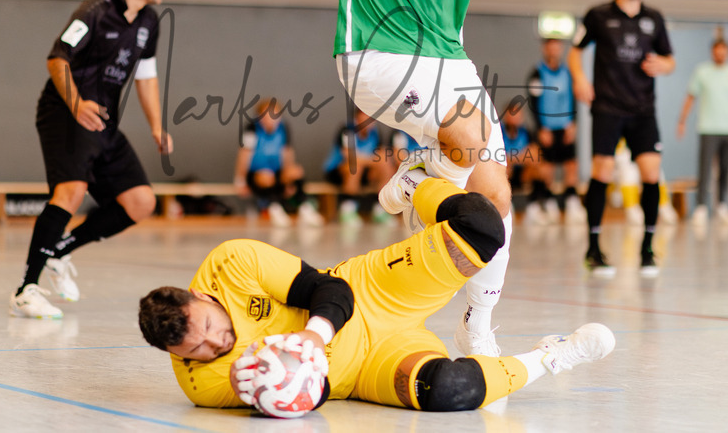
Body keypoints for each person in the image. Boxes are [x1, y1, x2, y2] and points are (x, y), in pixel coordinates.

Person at [271, 0, 559, 358]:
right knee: (471, 136)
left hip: (448, 57)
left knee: (496, 196)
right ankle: (420, 176)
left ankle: (477, 321)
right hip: (373, 50)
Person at [138, 169, 615, 413]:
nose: (216, 345)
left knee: (480, 227)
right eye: (196, 350)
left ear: (202, 297)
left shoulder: (231, 263)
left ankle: (415, 184)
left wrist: (311, 338)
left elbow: (328, 288)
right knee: (450, 391)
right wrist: (282, 390)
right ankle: (552, 357)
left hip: (369, 292)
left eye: (209, 327)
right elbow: (311, 397)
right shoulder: (203, 384)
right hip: (364, 369)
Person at [9, 0, 172, 319]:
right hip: (66, 111)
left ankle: (59, 251)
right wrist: (77, 103)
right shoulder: (95, 11)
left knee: (141, 202)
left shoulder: (149, 21)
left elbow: (146, 75)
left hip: (103, 120)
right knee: (72, 190)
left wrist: (157, 126)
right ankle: (26, 290)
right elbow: (57, 58)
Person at [568, 0, 675, 278]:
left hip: (643, 110)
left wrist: (663, 65)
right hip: (608, 107)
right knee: (602, 171)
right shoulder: (598, 15)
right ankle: (593, 249)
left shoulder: (654, 18)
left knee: (651, 174)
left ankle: (647, 249)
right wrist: (580, 79)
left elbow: (670, 60)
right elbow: (575, 52)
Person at [676, 39, 728, 226]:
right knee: (704, 169)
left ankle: (722, 205)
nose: (720, 54)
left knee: (726, 169)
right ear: (712, 52)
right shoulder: (702, 72)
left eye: (723, 51)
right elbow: (691, 96)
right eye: (717, 51)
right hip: (708, 128)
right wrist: (682, 120)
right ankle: (700, 207)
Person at [234, 98, 324, 227]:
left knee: (295, 172)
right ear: (260, 116)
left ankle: (305, 208)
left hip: (276, 171)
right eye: (266, 114)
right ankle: (274, 208)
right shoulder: (251, 129)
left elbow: (287, 153)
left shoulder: (283, 127)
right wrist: (240, 180)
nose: (270, 118)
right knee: (266, 177)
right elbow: (244, 155)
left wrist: (289, 180)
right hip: (256, 174)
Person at [527, 38, 584, 225]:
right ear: (544, 48)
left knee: (571, 164)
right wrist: (541, 128)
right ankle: (549, 201)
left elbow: (573, 98)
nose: (554, 50)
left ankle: (571, 200)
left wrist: (573, 123)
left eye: (557, 46)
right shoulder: (537, 73)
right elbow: (533, 101)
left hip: (565, 126)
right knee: (547, 166)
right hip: (547, 128)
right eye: (550, 46)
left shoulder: (568, 72)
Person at [322, 108, 395, 225]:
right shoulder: (347, 130)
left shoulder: (376, 132)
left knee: (385, 165)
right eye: (366, 116)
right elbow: (350, 157)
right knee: (355, 167)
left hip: (366, 170)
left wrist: (376, 163)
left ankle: (380, 207)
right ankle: (347, 207)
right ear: (357, 117)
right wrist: (374, 161)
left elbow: (382, 155)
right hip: (337, 171)